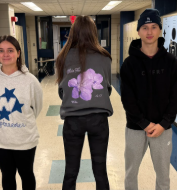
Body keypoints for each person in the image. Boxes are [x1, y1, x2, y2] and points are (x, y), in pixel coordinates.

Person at [120, 9, 177, 190]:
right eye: (145, 28)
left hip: (163, 128)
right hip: (136, 127)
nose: (149, 32)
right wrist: (144, 123)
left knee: (163, 176)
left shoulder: (171, 63)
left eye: (154, 27)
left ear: (160, 30)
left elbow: (174, 99)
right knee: (131, 173)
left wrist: (163, 123)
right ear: (138, 31)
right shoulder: (129, 65)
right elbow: (127, 100)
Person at [56, 16, 113, 190]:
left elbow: (62, 91)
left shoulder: (63, 57)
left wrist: (75, 100)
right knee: (100, 171)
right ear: (93, 33)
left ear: (73, 33)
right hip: (99, 119)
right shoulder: (105, 57)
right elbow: (107, 88)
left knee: (71, 171)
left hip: (73, 120)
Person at [0, 35, 43, 190]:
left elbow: (37, 107)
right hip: (0, 139)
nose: (5, 54)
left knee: (26, 174)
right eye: (1, 51)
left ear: (18, 53)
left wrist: (20, 120)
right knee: (7, 176)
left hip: (24, 139)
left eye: (10, 50)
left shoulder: (30, 81)